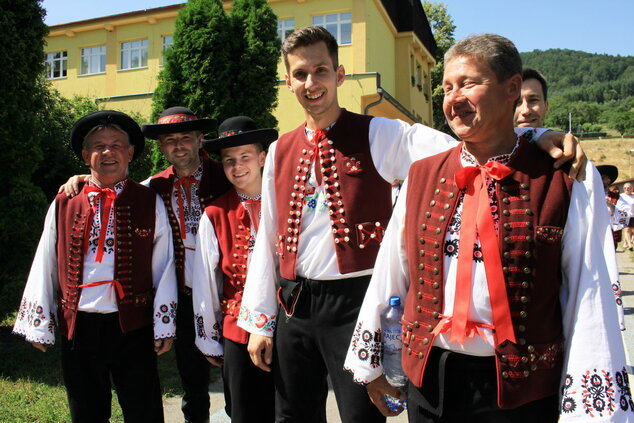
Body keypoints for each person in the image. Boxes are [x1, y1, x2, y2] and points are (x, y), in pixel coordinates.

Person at [237, 26, 587, 423]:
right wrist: (261, 320)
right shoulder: (280, 149)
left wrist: (534, 134)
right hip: (295, 302)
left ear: (339, 75)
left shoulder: (379, 132)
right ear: (288, 81)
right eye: (300, 74)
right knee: (292, 413)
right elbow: (267, 237)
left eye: (321, 71)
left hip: (354, 300)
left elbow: (467, 146)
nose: (311, 83)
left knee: (359, 416)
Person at [344, 34, 631, 422]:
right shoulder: (422, 175)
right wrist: (374, 361)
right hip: (431, 380)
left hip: (523, 390)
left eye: (468, 83)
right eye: (446, 87)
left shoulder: (565, 179)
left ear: (512, 87)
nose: (453, 98)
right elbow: (392, 273)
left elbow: (589, 291)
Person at [60, 106, 232, 423]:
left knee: (234, 377)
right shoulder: (154, 186)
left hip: (228, 292)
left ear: (200, 139)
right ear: (160, 146)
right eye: (169, 140)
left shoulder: (225, 177)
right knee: (192, 380)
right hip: (182, 294)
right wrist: (83, 177)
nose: (177, 146)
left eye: (185, 137)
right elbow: (113, 186)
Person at [13, 110, 178, 422]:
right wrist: (38, 321)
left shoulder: (148, 200)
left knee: (144, 409)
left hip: (132, 324)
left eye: (117, 145)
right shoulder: (65, 200)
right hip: (80, 325)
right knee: (86, 410)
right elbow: (46, 259)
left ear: (130, 153)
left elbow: (164, 264)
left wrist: (163, 322)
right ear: (85, 155)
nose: (108, 152)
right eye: (99, 146)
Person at [191, 116, 277, 423]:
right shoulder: (215, 213)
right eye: (229, 161)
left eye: (245, 157)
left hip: (289, 328)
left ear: (262, 157)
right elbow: (205, 283)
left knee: (292, 410)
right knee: (244, 411)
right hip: (238, 331)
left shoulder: (287, 202)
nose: (237, 166)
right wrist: (211, 336)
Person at [618, 182, 634, 250]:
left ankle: (625, 243)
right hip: (623, 215)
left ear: (632, 188)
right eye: (625, 188)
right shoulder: (621, 196)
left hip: (632, 215)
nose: (627, 189)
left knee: (631, 230)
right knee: (627, 230)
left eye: (628, 188)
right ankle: (630, 244)